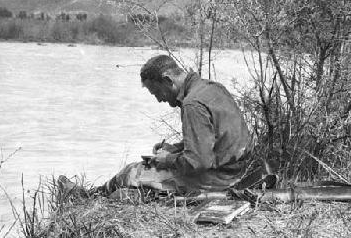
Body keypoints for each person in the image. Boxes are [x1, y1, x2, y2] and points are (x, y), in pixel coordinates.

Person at [99, 54, 252, 194]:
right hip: (239, 169)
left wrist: (167, 160)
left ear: (167, 80)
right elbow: (215, 137)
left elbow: (198, 162)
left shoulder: (192, 104)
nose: (159, 99)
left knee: (131, 172)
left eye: (157, 92)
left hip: (219, 178)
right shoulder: (212, 88)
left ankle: (95, 193)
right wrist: (175, 149)